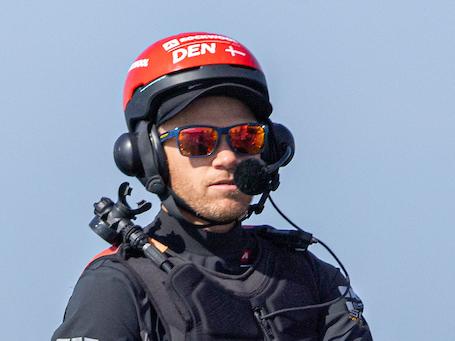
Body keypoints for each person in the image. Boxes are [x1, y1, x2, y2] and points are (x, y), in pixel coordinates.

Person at [52, 32, 373, 341]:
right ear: (146, 156)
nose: (227, 157)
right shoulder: (116, 287)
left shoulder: (314, 279)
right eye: (197, 140)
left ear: (271, 149)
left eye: (246, 137)